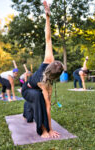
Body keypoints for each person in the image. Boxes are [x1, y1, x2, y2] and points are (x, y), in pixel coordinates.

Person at [22, 1, 64, 138]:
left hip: (34, 87)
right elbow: (46, 109)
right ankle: (42, 131)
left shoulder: (48, 76)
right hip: (27, 89)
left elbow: (49, 39)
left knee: (30, 113)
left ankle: (27, 112)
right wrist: (49, 130)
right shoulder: (45, 82)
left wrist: (48, 17)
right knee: (38, 98)